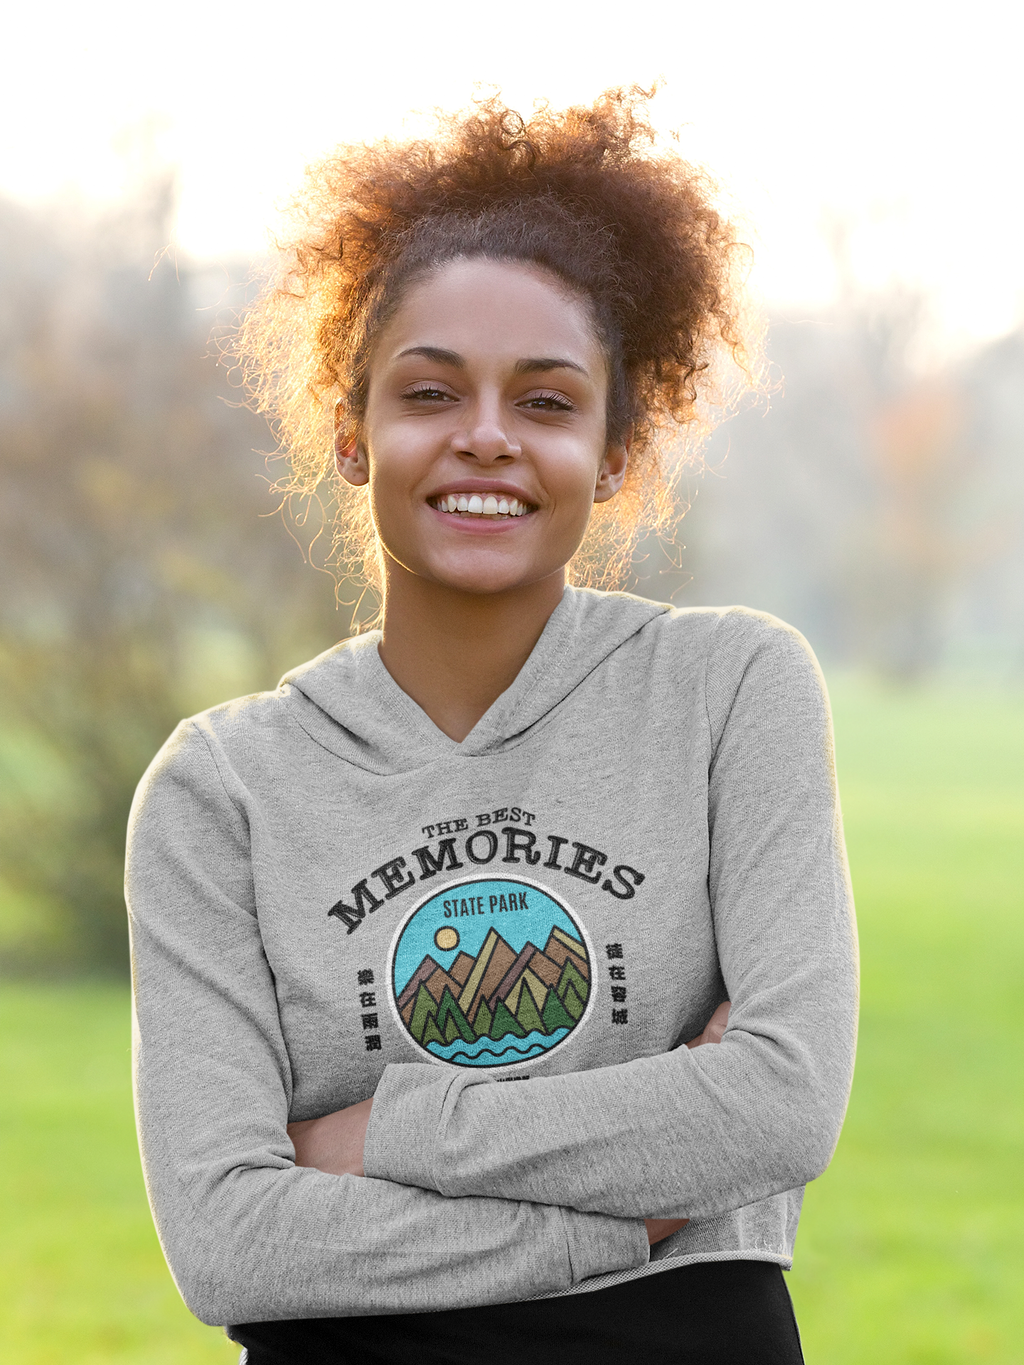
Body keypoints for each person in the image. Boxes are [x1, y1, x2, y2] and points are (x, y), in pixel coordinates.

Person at [126, 90, 858, 1365]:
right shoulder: (220, 789)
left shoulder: (730, 690)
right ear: (352, 433)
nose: (483, 438)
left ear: (616, 448)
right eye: (429, 392)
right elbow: (229, 1243)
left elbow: (782, 1101)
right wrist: (632, 1222)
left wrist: (392, 1134)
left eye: (546, 401)